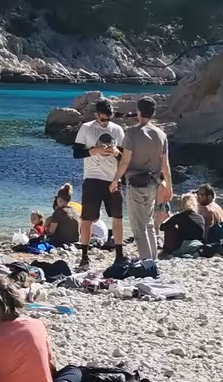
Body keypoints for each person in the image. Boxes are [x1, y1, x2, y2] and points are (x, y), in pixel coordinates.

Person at [114, 96, 171, 263]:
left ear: (139, 112)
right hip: (154, 183)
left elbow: (125, 161)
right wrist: (169, 187)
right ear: (153, 113)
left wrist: (115, 179)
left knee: (138, 227)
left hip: (137, 183)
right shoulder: (161, 134)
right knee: (149, 223)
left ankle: (147, 263)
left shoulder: (132, 133)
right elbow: (165, 164)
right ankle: (153, 261)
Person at [73, 102, 126, 255]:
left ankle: (119, 254)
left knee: (118, 217)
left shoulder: (117, 130)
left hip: (113, 179)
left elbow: (124, 160)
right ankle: (84, 255)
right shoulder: (87, 128)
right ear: (96, 115)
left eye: (108, 119)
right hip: (92, 178)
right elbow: (76, 153)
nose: (105, 122)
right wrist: (94, 150)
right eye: (102, 119)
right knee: (87, 218)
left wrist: (116, 152)